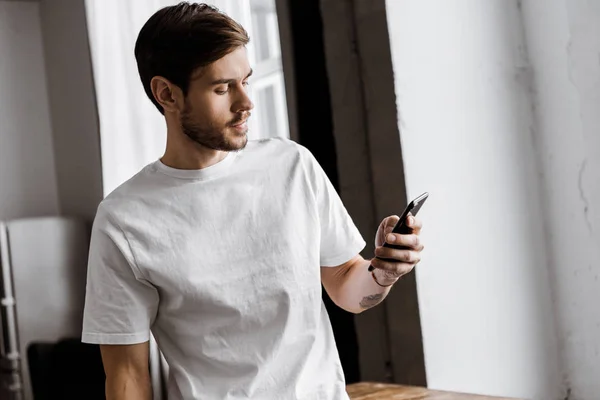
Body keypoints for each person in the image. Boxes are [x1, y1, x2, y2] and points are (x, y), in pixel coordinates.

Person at [81, 2, 425, 400]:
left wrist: (384, 270)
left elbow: (347, 286)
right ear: (167, 94)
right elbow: (127, 376)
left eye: (247, 79)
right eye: (223, 87)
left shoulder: (292, 165)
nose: (246, 102)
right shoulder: (123, 221)